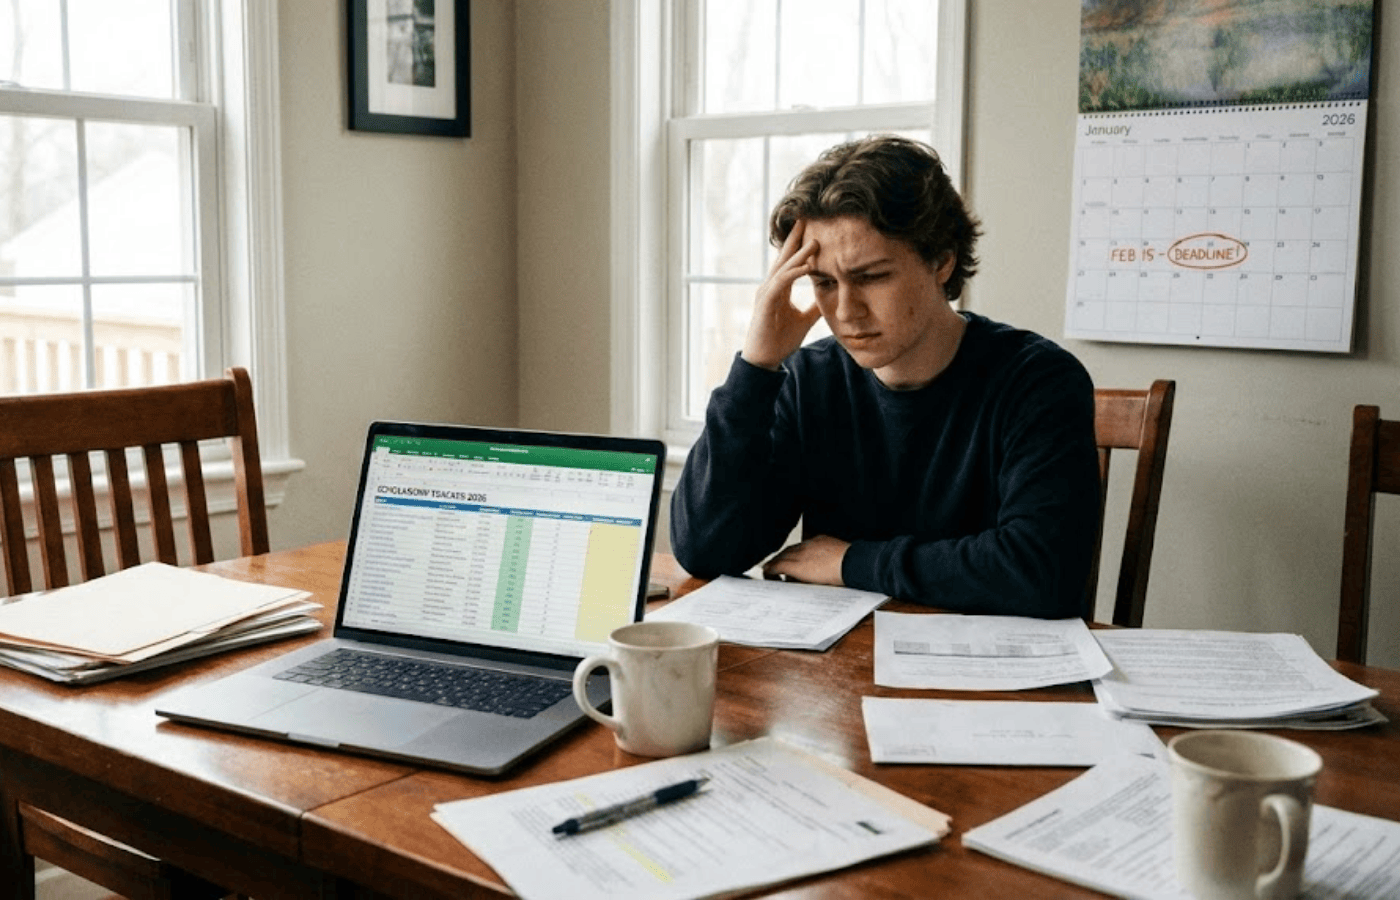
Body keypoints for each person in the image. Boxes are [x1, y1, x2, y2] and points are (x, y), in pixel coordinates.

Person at [669, 135, 1101, 620]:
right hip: (841, 672)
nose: (846, 311)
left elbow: (1044, 573)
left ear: (941, 260)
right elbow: (705, 550)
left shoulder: (1038, 381)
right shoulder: (806, 380)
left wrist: (853, 562)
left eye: (872, 276)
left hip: (1000, 680)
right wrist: (755, 366)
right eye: (825, 283)